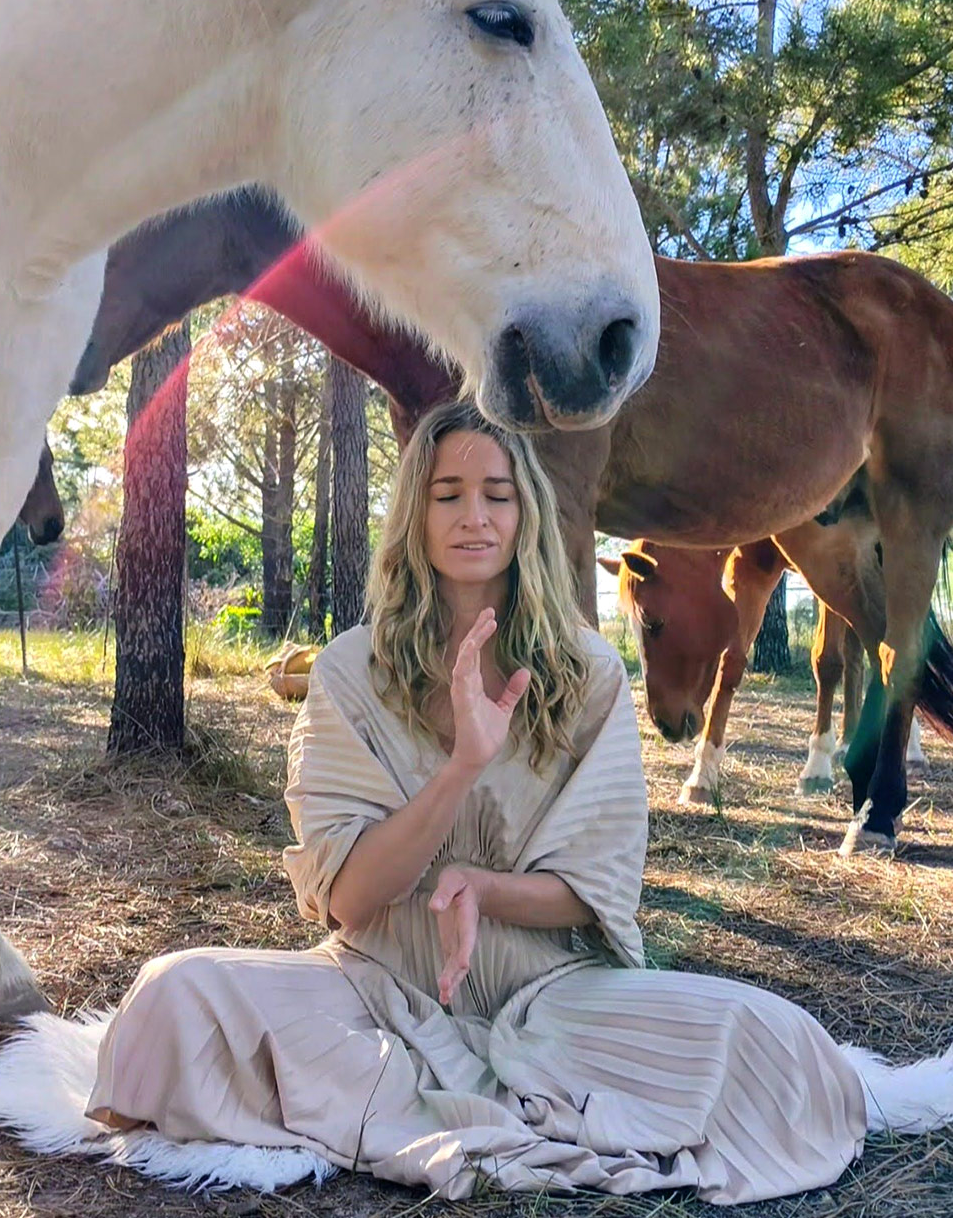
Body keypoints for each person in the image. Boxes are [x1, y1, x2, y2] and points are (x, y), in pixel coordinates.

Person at [86, 399, 869, 1203]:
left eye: (497, 494)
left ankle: (399, 1101)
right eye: (447, 494)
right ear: (414, 513)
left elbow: (596, 889)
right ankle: (458, 1096)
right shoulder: (350, 671)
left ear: (526, 513)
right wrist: (460, 767)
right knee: (172, 996)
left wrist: (481, 888)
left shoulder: (589, 673)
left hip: (554, 996)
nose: (474, 516)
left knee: (780, 1044)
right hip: (375, 988)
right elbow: (349, 898)